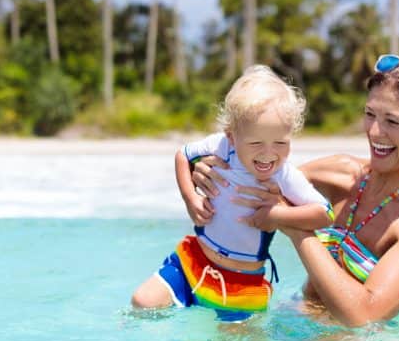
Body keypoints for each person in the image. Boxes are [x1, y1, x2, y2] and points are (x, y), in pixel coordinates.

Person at [193, 54, 399, 327]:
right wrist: (209, 171)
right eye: (370, 115)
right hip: (293, 319)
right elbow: (254, 184)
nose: (375, 132)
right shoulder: (342, 174)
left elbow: (364, 316)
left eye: (393, 121)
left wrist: (294, 226)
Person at [130, 65, 332, 321]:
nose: (269, 153)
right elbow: (183, 154)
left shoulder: (283, 174)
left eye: (280, 142)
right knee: (142, 301)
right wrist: (190, 197)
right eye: (256, 143)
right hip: (194, 262)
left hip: (241, 283)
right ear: (232, 137)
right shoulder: (221, 146)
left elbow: (325, 213)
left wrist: (277, 214)